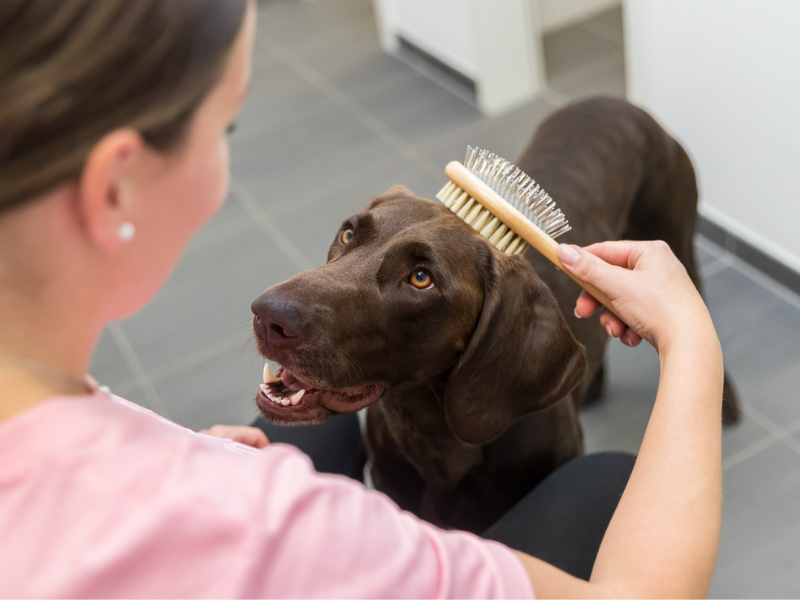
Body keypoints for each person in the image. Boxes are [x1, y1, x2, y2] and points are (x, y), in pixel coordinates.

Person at [0, 1, 723, 597]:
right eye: (226, 128)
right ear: (112, 187)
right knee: (609, 479)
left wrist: (183, 453)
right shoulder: (313, 539)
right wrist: (691, 339)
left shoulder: (61, 419)